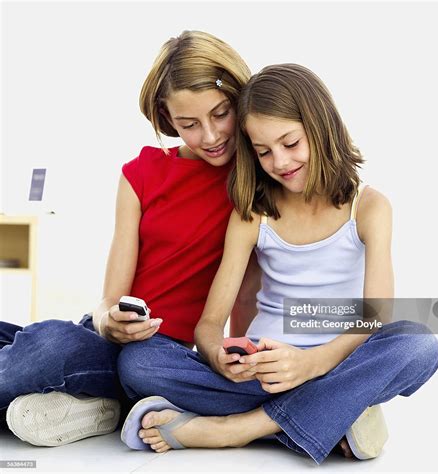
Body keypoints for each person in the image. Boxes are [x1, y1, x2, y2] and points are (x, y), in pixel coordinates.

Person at [119, 64, 438, 464]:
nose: (280, 162)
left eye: (290, 143)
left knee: (418, 344)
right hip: (262, 376)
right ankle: (334, 415)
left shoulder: (369, 208)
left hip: (333, 362)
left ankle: (239, 429)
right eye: (263, 151)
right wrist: (219, 355)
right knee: (139, 362)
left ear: (321, 128)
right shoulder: (253, 212)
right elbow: (209, 324)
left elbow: (374, 317)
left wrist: (309, 364)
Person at [0, 30, 259, 447]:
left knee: (81, 353)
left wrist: (237, 354)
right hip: (109, 342)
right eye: (189, 124)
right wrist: (109, 322)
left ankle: (85, 396)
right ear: (166, 118)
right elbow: (108, 301)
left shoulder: (254, 181)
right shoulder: (141, 174)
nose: (210, 136)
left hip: (166, 357)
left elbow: (250, 292)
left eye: (221, 114)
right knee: (45, 339)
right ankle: (102, 403)